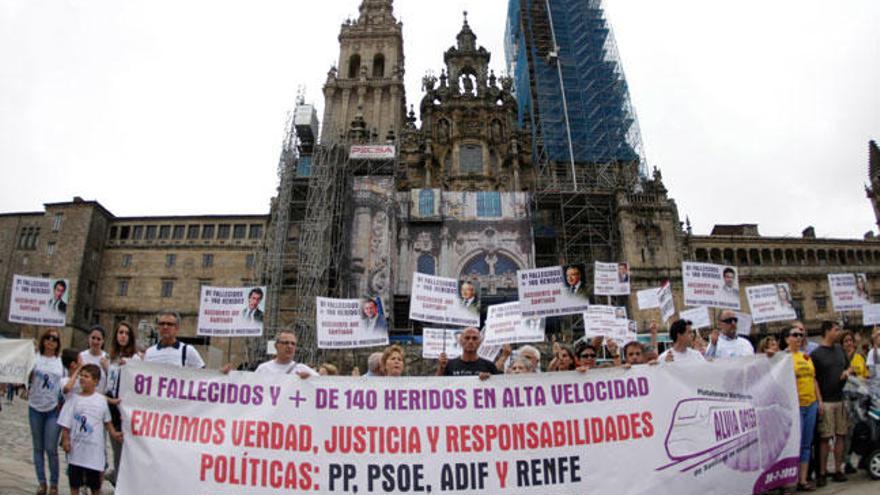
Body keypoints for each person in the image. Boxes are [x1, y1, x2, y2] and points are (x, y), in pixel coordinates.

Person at [58, 364, 123, 495]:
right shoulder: (73, 399)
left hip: (94, 454)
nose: (82, 378)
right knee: (75, 484)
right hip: (76, 452)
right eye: (81, 375)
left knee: (95, 486)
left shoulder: (101, 400)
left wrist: (114, 434)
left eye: (86, 376)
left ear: (96, 381)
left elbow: (107, 422)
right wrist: (66, 439)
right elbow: (66, 423)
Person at [810, 321, 851, 486]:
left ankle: (838, 470)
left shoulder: (840, 350)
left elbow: (849, 367)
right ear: (827, 332)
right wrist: (819, 400)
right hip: (825, 401)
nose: (839, 332)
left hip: (840, 400)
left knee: (841, 435)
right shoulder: (816, 354)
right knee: (825, 438)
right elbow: (813, 380)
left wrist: (847, 372)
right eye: (836, 330)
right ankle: (822, 473)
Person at [782, 325, 821, 492]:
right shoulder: (783, 357)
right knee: (793, 444)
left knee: (806, 443)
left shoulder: (806, 356)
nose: (798, 338)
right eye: (795, 335)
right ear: (786, 338)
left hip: (810, 404)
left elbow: (813, 379)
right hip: (795, 406)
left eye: (801, 335)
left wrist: (819, 401)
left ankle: (803, 479)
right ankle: (789, 480)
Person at [28, 329, 65, 495]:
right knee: (38, 447)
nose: (51, 341)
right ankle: (42, 482)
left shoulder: (60, 362)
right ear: (43, 340)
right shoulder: (35, 358)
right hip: (35, 406)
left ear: (58, 344)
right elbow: (26, 375)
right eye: (48, 338)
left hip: (52, 409)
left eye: (55, 339)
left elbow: (64, 384)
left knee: (51, 448)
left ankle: (54, 483)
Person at [104, 321, 140, 486]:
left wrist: (131, 366)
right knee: (115, 450)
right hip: (111, 407)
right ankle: (114, 477)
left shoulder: (135, 358)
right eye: (120, 332)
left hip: (126, 409)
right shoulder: (110, 357)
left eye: (126, 333)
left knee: (124, 453)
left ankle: (117, 480)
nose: (123, 336)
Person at [79, 325, 108, 392]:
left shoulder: (107, 358)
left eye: (98, 339)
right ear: (88, 338)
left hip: (100, 398)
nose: (95, 341)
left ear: (103, 341)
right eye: (93, 338)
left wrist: (107, 368)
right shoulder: (81, 356)